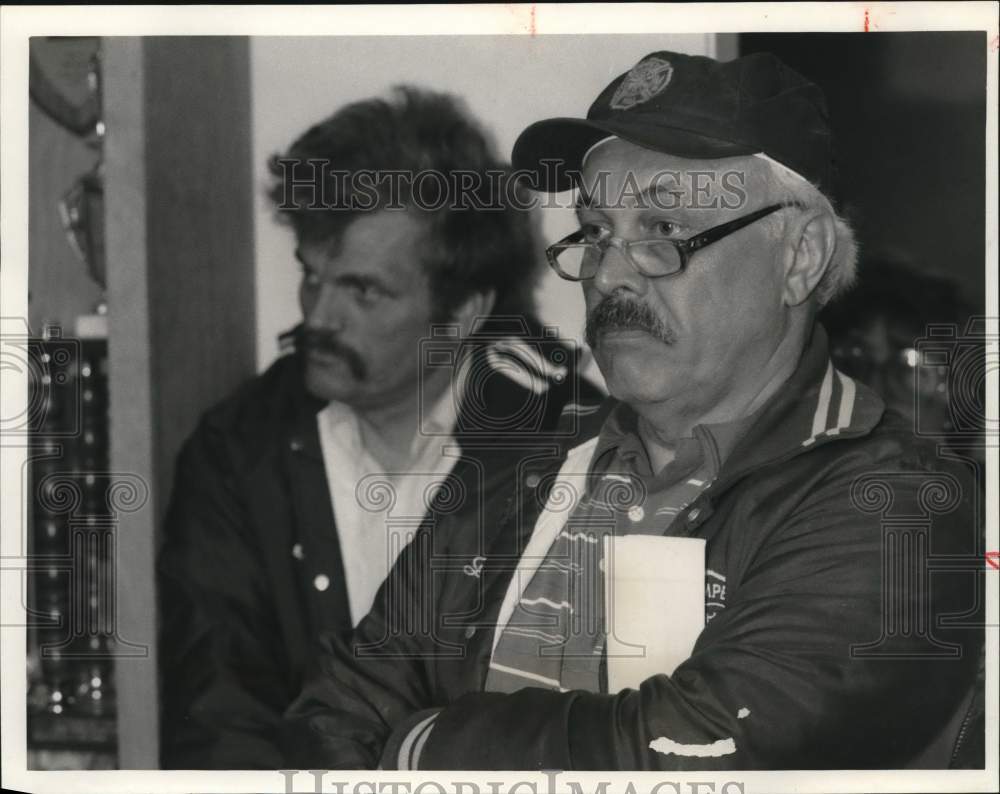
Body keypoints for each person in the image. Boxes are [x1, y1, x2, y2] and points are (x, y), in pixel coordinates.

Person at [283, 52, 983, 770]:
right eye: (594, 232)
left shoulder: (898, 503)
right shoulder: (522, 468)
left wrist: (418, 747)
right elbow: (335, 711)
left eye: (664, 229)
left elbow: (692, 752)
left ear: (800, 257)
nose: (609, 273)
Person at [156, 85, 601, 769]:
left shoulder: (565, 442)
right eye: (312, 277)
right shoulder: (239, 449)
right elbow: (217, 717)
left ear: (464, 313)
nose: (317, 318)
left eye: (362, 290)